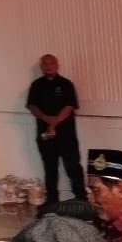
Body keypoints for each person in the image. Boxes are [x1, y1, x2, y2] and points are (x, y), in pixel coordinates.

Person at [26, 54, 85, 205]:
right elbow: (32, 106)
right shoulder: (36, 85)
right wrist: (46, 119)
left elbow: (69, 107)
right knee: (50, 168)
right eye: (45, 64)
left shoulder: (66, 84)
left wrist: (54, 122)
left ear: (57, 65)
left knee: (72, 166)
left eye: (51, 63)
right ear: (41, 67)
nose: (48, 66)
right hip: (45, 135)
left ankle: (81, 199)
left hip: (66, 135)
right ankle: (52, 201)